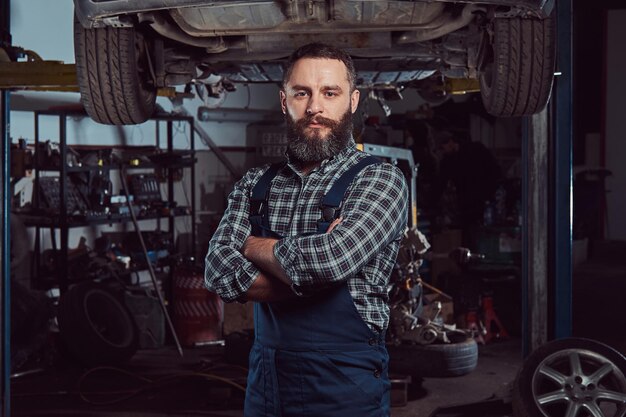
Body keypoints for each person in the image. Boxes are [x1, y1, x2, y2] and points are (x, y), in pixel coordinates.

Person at [204, 43, 408, 417]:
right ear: (285, 102)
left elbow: (330, 261)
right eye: (303, 93)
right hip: (267, 386)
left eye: (330, 93)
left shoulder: (380, 179)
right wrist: (310, 270)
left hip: (345, 388)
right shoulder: (255, 184)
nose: (315, 107)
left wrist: (249, 246)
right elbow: (218, 272)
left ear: (353, 100)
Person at [435, 131, 502, 242]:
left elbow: (495, 171)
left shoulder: (476, 149)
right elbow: (440, 184)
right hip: (467, 205)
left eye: (443, 148)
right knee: (469, 235)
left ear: (450, 142)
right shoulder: (447, 161)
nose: (442, 151)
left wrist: (489, 194)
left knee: (483, 234)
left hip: (484, 201)